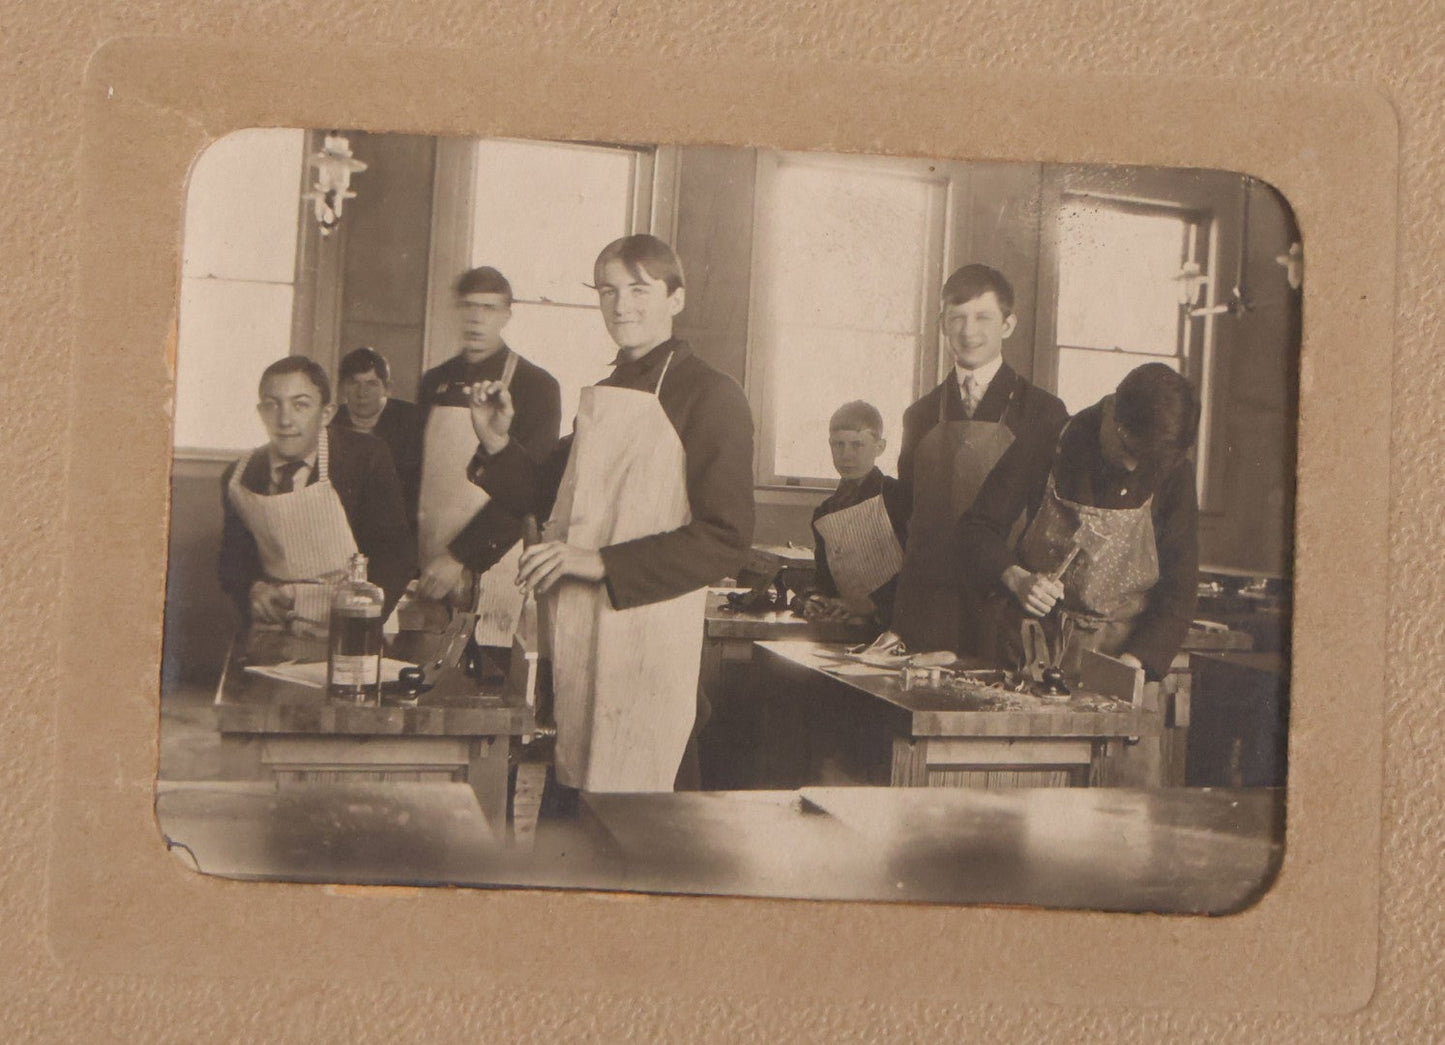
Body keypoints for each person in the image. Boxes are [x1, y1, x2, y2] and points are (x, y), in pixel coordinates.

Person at [465, 234, 755, 794]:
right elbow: (544, 493)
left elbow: (726, 538)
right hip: (584, 647)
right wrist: (497, 443)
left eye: (639, 289)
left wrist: (599, 562)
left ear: (676, 298)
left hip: (651, 649)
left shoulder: (712, 396)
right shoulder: (604, 392)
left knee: (647, 833)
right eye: (607, 290)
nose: (621, 306)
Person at [959, 362, 1201, 681]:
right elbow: (976, 530)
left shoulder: (1173, 472)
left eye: (1146, 462)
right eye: (1127, 450)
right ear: (1112, 408)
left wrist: (1133, 663)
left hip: (1122, 657)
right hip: (1033, 651)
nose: (1132, 468)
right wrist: (1017, 579)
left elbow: (1180, 591)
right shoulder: (1046, 441)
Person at [892, 264, 1068, 655]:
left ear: (1008, 324)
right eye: (957, 318)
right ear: (941, 324)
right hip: (928, 608)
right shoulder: (919, 415)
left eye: (983, 317)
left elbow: (1049, 518)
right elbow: (908, 514)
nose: (969, 331)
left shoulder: (1043, 412)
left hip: (1002, 608)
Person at [414, 267, 562, 645]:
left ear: (507, 314)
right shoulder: (434, 382)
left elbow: (529, 493)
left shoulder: (536, 386)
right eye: (468, 306)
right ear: (455, 310)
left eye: (489, 308)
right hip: (430, 563)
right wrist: (435, 561)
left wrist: (460, 557)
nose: (476, 318)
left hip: (494, 560)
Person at [217, 356, 416, 631]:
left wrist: (358, 624)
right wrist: (253, 588)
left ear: (326, 413)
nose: (284, 420)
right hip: (276, 624)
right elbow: (232, 559)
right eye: (272, 405)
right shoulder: (239, 476)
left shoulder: (365, 457)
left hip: (356, 622)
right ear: (261, 412)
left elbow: (396, 556)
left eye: (300, 405)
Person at [800, 400, 909, 628]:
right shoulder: (825, 512)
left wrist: (871, 604)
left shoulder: (899, 497)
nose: (846, 455)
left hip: (899, 623)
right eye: (838, 445)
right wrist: (815, 600)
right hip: (850, 626)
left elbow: (919, 569)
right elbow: (824, 582)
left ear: (880, 447)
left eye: (857, 445)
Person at [332, 346, 422, 524]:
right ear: (342, 388)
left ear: (388, 388)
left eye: (371, 384)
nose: (362, 393)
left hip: (398, 521)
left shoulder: (412, 421)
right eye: (353, 383)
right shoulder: (331, 423)